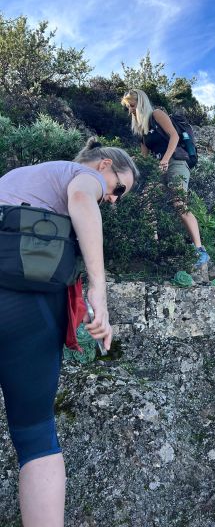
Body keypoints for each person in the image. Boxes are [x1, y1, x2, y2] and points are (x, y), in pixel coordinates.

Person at [0, 138, 139, 527]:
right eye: (117, 189)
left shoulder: (18, 177)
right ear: (104, 166)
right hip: (27, 301)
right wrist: (99, 290)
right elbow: (81, 200)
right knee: (34, 433)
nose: (112, 199)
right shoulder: (82, 175)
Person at [121, 88, 209, 267]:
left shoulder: (157, 114)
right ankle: (154, 245)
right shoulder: (143, 131)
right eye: (128, 108)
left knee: (179, 202)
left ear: (140, 103)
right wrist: (127, 160)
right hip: (160, 167)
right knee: (146, 198)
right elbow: (144, 157)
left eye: (131, 106)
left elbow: (174, 136)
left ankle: (200, 250)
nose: (130, 110)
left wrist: (166, 159)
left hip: (176, 162)